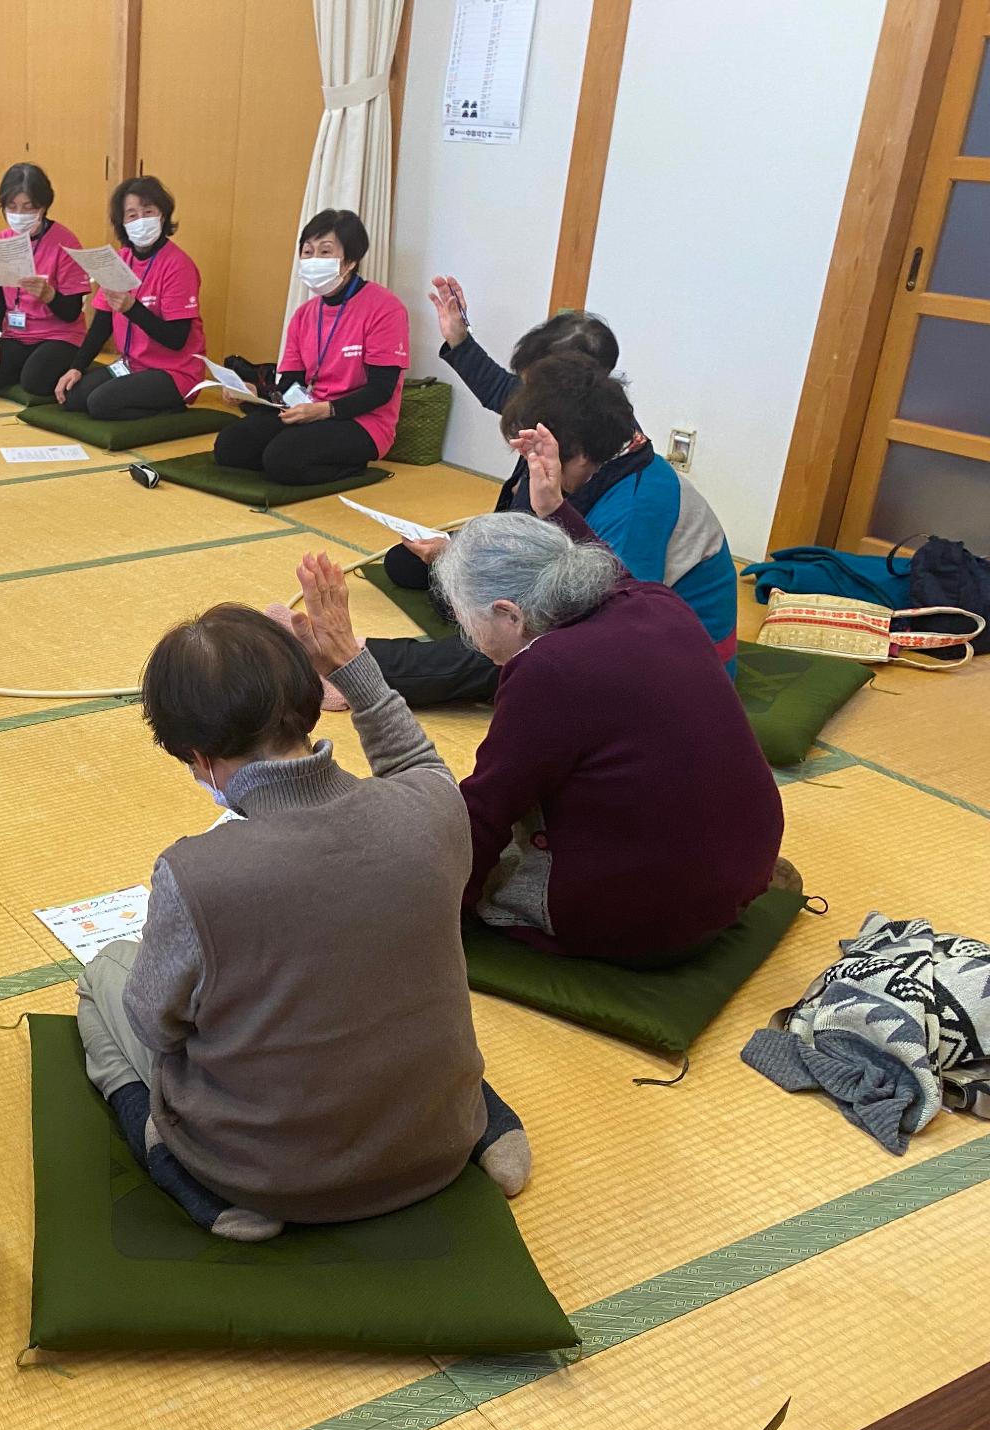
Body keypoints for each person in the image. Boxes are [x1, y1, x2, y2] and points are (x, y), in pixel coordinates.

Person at [74, 554, 531, 1242]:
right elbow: (416, 760)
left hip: (268, 1173)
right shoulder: (431, 808)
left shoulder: (196, 872)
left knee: (104, 978)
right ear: (311, 700)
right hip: (433, 1143)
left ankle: (186, 1174)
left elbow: (158, 1030)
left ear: (198, 756)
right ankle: (485, 1132)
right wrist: (350, 658)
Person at [433, 423, 783, 964]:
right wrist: (553, 509)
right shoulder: (652, 601)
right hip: (749, 863)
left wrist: (432, 909)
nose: (471, 640)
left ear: (508, 612)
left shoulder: (547, 670)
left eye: (467, 623)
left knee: (449, 845)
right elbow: (606, 567)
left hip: (653, 922)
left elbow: (487, 808)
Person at [358, 291, 624, 709]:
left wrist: (469, 566)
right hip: (532, 572)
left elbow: (593, 599)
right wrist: (460, 341)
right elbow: (499, 391)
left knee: (507, 648)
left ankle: (358, 663)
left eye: (533, 385)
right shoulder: (563, 423)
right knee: (407, 562)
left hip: (569, 612)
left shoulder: (606, 466)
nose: (520, 396)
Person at [211, 209, 409, 485]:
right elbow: (291, 383)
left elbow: (381, 391)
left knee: (283, 459)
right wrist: (256, 393)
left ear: (350, 260)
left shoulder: (385, 308)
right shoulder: (304, 314)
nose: (313, 260)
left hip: (363, 422)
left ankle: (350, 465)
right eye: (308, 251)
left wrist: (325, 410)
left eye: (325, 252)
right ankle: (295, 454)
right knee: (230, 446)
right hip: (307, 411)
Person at [52, 176, 206, 422]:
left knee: (101, 404)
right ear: (122, 223)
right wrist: (76, 367)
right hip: (131, 365)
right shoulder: (121, 259)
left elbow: (176, 339)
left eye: (148, 212)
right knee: (73, 397)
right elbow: (102, 323)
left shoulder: (179, 265)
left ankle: (171, 409)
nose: (141, 221)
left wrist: (132, 309)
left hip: (173, 372)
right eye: (132, 215)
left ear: (162, 216)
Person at [0, 163, 92, 400]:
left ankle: (57, 367)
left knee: (35, 381)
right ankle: (27, 365)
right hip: (17, 334)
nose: (19, 215)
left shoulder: (65, 242)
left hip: (59, 335)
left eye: (27, 207)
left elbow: (72, 313)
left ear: (43, 207)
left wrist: (49, 295)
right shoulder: (3, 239)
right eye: (12, 207)